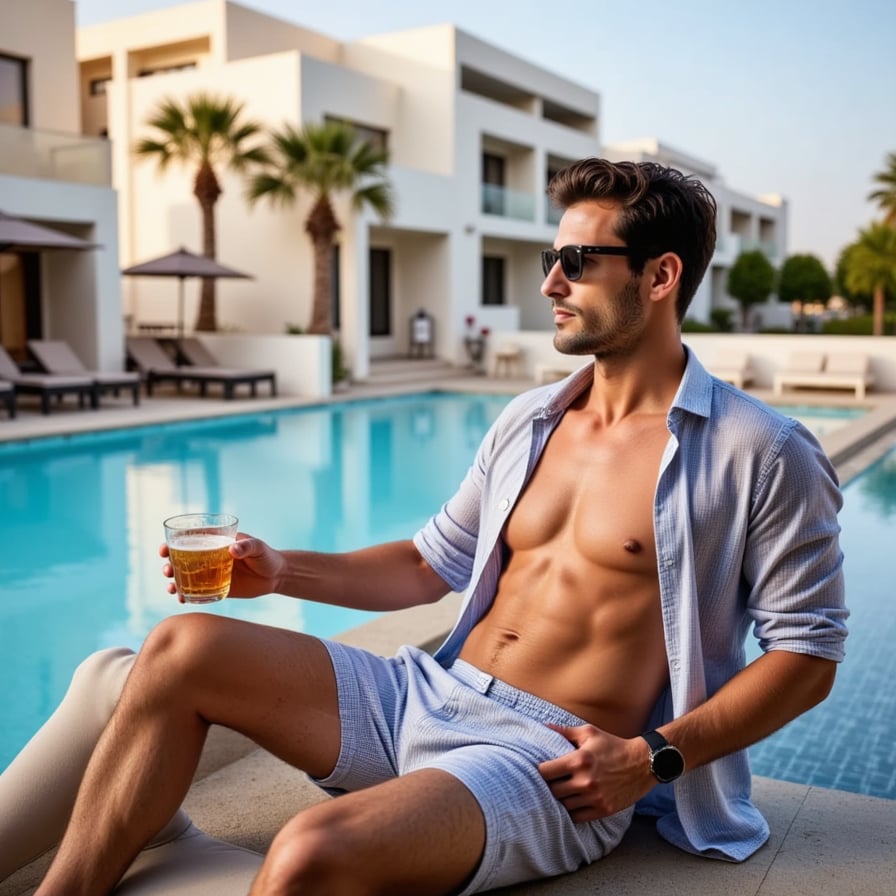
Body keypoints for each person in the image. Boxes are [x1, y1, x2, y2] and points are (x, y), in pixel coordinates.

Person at [1, 158, 847, 896]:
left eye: (578, 263)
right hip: (421, 694)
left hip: (543, 762)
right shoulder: (532, 420)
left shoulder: (760, 451)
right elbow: (424, 563)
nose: (550, 283)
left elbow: (807, 655)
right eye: (553, 259)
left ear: (660, 277)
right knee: (182, 645)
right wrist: (280, 570)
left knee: (308, 855)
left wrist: (654, 756)